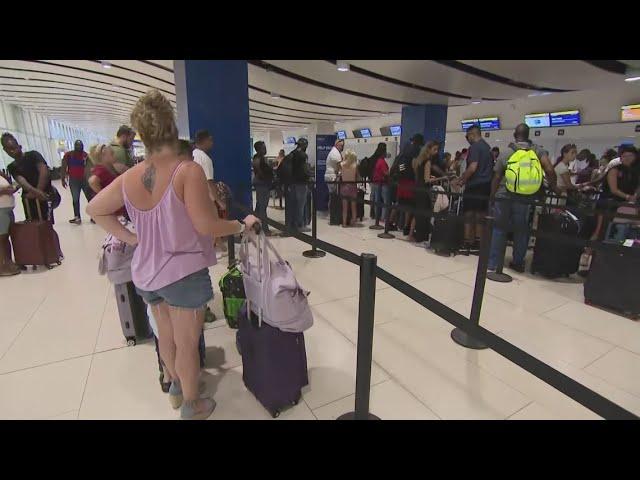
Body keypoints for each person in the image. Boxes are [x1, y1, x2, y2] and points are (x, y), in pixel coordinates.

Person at [86, 89, 259, 420]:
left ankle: (176, 388)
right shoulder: (187, 171)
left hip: (147, 273)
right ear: (171, 125)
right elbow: (206, 225)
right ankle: (193, 405)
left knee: (164, 335)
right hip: (183, 272)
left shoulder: (131, 175)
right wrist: (241, 225)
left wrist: (134, 238)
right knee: (187, 345)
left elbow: (96, 208)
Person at [487, 123, 559, 273]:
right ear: (528, 135)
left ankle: (493, 263)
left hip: (504, 195)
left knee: (499, 228)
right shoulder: (537, 151)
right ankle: (518, 262)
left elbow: (497, 176)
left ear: (515, 134)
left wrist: (492, 196)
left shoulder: (507, 152)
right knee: (521, 229)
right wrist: (554, 187)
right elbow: (550, 170)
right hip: (525, 196)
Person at [455, 125, 495, 253]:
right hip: (485, 186)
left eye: (467, 136)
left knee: (469, 213)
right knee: (480, 214)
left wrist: (461, 180)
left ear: (472, 134)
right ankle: (478, 242)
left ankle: (467, 242)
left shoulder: (475, 148)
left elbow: (472, 167)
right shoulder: (487, 147)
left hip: (474, 185)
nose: (468, 139)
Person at [1, 132, 54, 222]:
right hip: (29, 199)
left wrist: (39, 191)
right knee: (32, 225)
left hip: (45, 195)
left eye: (13, 148)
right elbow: (22, 181)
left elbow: (43, 171)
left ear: (19, 146)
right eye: (8, 150)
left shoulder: (33, 155)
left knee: (46, 225)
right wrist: (36, 192)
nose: (12, 152)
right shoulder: (12, 167)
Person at [592, 145, 638, 241]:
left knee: (620, 232)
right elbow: (613, 189)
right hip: (609, 203)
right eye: (624, 156)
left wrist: (633, 197)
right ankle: (589, 253)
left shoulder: (634, 172)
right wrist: (628, 197)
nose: (627, 158)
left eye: (630, 155)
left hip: (624, 205)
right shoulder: (615, 169)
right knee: (600, 231)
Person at [390, 134, 424, 236]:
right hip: (410, 181)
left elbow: (400, 166)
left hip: (401, 181)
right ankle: (406, 227)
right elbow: (414, 166)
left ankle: (390, 222)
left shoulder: (404, 151)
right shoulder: (416, 151)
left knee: (399, 203)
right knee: (409, 205)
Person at [278, 138, 310, 234]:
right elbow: (304, 171)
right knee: (300, 205)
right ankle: (298, 225)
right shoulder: (302, 155)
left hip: (290, 184)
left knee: (292, 205)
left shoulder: (291, 154)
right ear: (305, 145)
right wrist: (308, 176)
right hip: (300, 183)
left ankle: (290, 224)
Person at [412, 140, 439, 243]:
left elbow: (419, 176)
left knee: (418, 214)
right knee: (424, 214)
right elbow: (427, 179)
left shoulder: (418, 160)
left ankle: (417, 236)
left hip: (417, 188)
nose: (436, 152)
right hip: (424, 190)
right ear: (429, 149)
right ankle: (422, 238)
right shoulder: (428, 161)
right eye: (435, 149)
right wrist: (439, 178)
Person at [61, 140, 94, 225]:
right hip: (74, 180)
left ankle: (93, 216)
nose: (79, 147)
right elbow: (64, 166)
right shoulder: (68, 155)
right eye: (78, 146)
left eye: (80, 146)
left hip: (85, 180)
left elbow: (90, 167)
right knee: (75, 199)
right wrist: (63, 178)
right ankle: (77, 217)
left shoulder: (86, 156)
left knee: (90, 198)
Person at [0, 171, 20, 276]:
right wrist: (3, 190)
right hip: (1, 210)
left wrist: (12, 186)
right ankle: (2, 266)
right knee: (1, 239)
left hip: (7, 209)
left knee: (6, 238)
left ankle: (8, 262)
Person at [252, 140, 273, 235]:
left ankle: (254, 225)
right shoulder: (257, 158)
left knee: (259, 206)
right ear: (259, 149)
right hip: (262, 184)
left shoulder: (262, 158)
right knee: (262, 207)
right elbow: (260, 172)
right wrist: (267, 180)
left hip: (264, 184)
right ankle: (265, 229)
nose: (265, 149)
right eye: (263, 147)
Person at [339, 150, 359, 227]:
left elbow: (339, 174)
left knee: (344, 207)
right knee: (353, 206)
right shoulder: (355, 165)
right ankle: (353, 222)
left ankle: (344, 223)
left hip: (344, 186)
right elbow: (357, 176)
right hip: (353, 186)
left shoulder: (341, 164)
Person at [370, 143, 389, 223]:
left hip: (374, 182)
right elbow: (386, 173)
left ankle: (376, 216)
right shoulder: (382, 161)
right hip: (382, 183)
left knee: (376, 200)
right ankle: (382, 217)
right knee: (385, 201)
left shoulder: (376, 160)